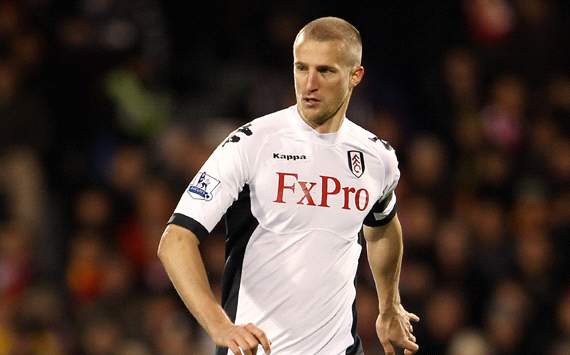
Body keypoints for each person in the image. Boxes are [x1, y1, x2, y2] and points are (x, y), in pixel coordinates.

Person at [158, 16, 420, 355]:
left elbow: (383, 227)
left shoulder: (377, 157)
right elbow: (175, 241)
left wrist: (389, 306)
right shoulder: (252, 144)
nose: (309, 83)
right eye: (301, 68)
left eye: (325, 71)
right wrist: (219, 324)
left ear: (355, 76)